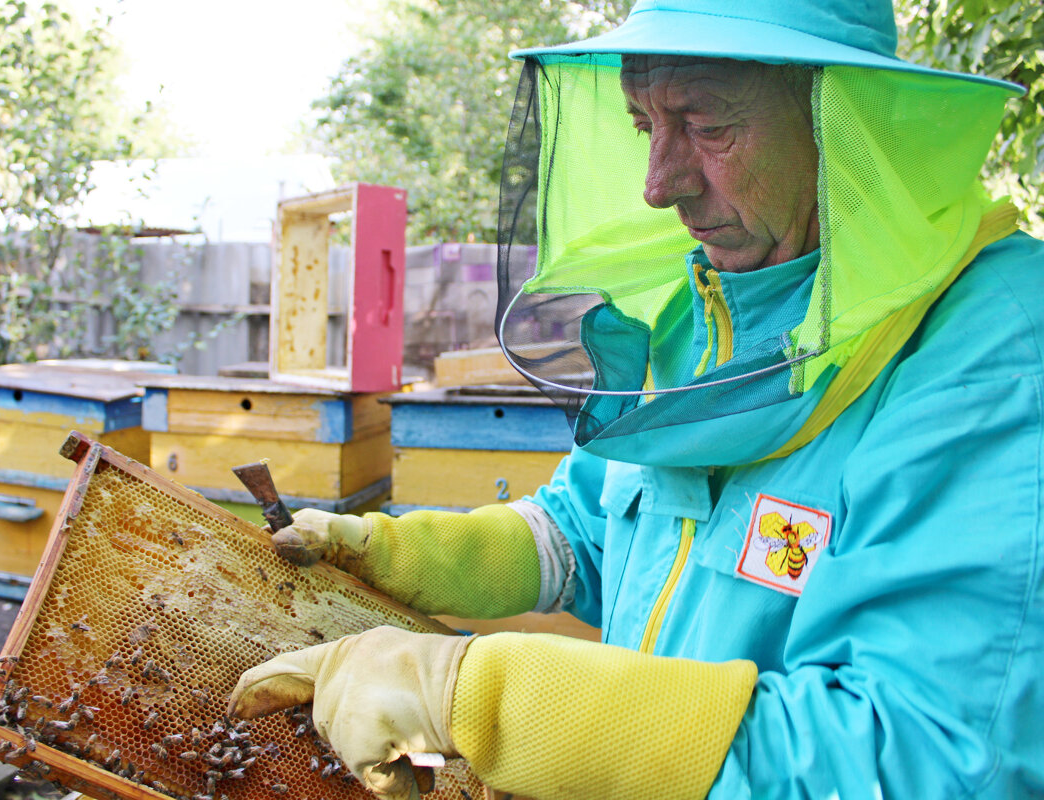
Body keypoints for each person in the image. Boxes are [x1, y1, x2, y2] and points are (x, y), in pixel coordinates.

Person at [229, 1, 1044, 798]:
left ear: (845, 117)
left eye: (707, 125)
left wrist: (473, 695)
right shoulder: (703, 311)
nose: (660, 183)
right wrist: (398, 552)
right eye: (644, 126)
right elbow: (583, 534)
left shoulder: (996, 350)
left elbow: (925, 758)